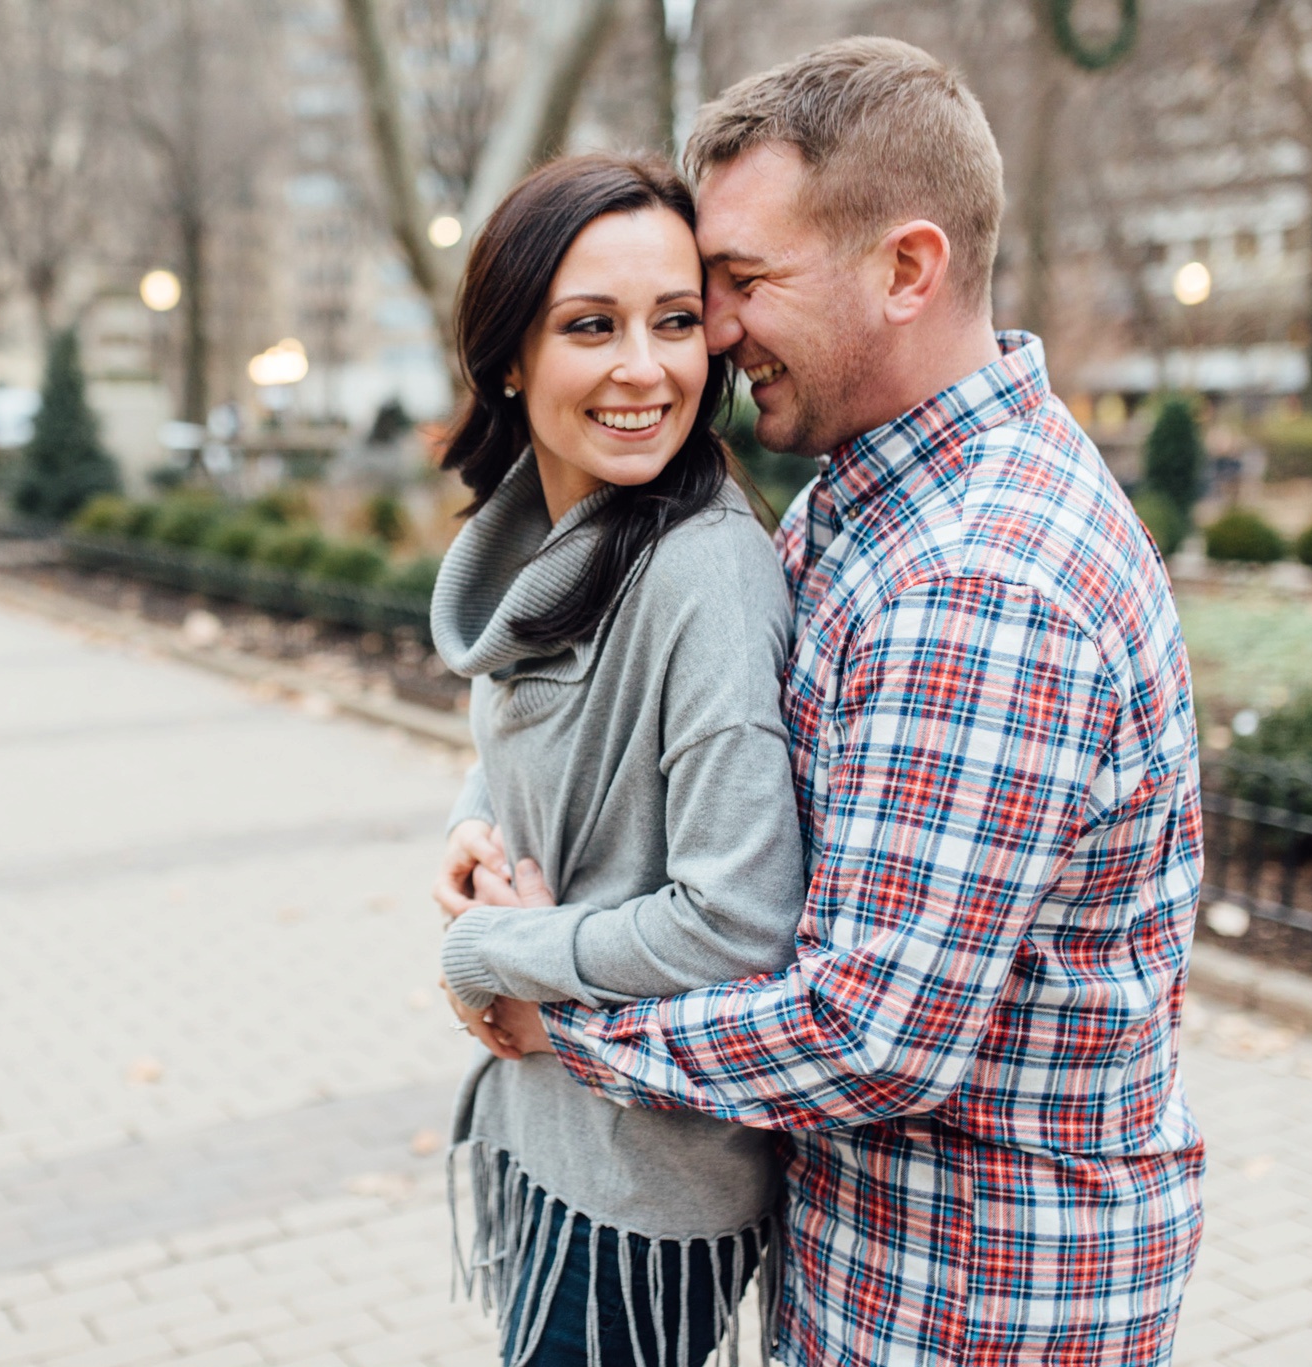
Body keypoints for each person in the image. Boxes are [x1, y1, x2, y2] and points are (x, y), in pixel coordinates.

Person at [449, 38, 1206, 1367]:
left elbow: (870, 1032)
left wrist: (560, 1014)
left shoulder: (979, 584)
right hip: (883, 1259)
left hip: (970, 1298)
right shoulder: (880, 501)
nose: (716, 333)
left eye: (739, 282)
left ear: (906, 268)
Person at [428, 153, 807, 1367]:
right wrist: (471, 829)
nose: (645, 369)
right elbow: (525, 733)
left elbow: (736, 920)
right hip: (545, 1126)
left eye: (677, 321)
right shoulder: (558, 536)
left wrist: (493, 948)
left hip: (644, 1177)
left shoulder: (701, 570)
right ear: (508, 356)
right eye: (591, 326)